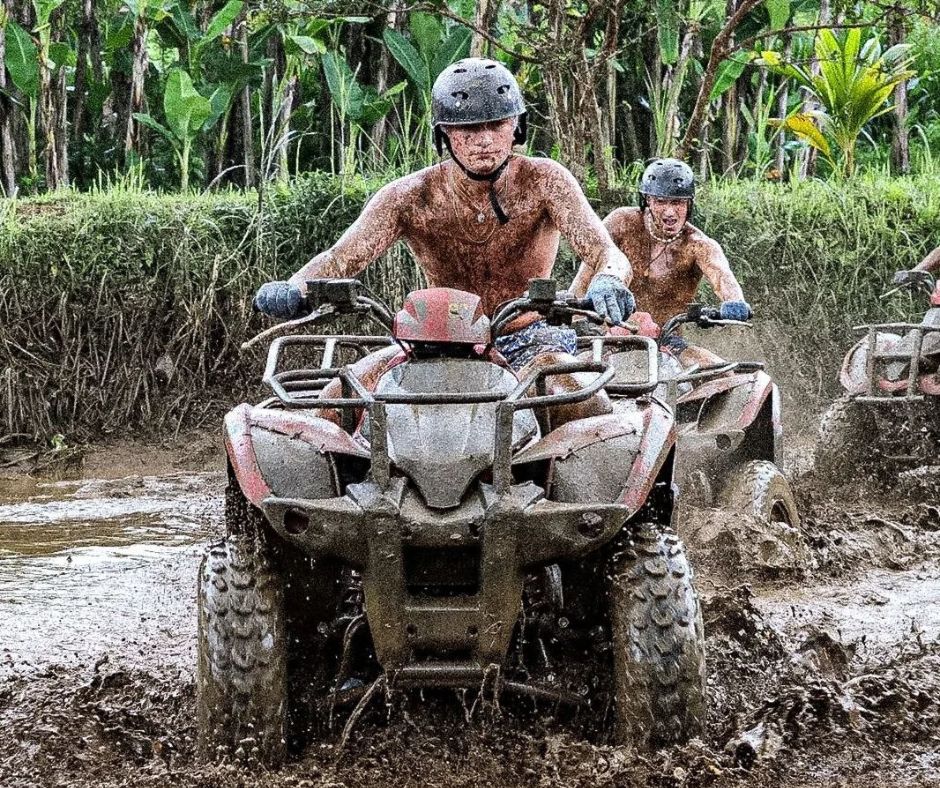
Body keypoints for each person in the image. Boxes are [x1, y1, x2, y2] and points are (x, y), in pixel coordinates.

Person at [253, 58, 635, 420]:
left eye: (496, 125)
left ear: (516, 126)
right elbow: (340, 259)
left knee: (571, 392)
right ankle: (353, 483)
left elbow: (606, 253)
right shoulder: (411, 196)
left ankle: (565, 485)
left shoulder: (545, 181)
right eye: (469, 130)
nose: (484, 140)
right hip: (433, 343)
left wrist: (609, 279)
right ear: (446, 134)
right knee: (339, 396)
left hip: (530, 337)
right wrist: (295, 287)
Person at [603, 158, 752, 369]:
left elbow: (721, 274)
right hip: (608, 336)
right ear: (647, 200)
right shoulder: (621, 223)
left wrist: (734, 301)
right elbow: (591, 265)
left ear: (689, 204)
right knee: (565, 378)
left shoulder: (698, 245)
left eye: (677, 202)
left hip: (667, 342)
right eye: (661, 201)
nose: (670, 212)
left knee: (725, 375)